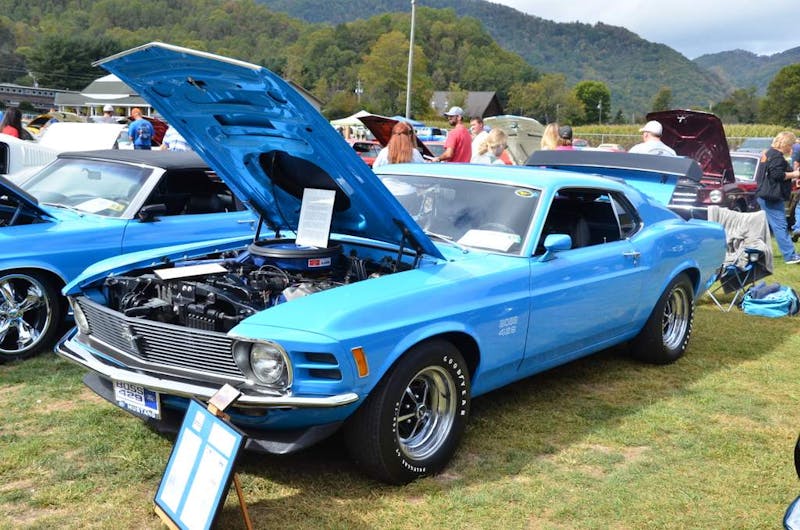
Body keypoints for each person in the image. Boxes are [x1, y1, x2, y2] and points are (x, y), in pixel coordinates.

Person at [755, 131, 800, 264]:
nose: (791, 149)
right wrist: (795, 174)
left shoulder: (768, 153)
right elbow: (777, 175)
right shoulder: (777, 156)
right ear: (786, 144)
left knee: (763, 227)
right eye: (791, 145)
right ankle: (790, 256)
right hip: (771, 196)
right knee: (780, 226)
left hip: (763, 194)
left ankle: (755, 252)